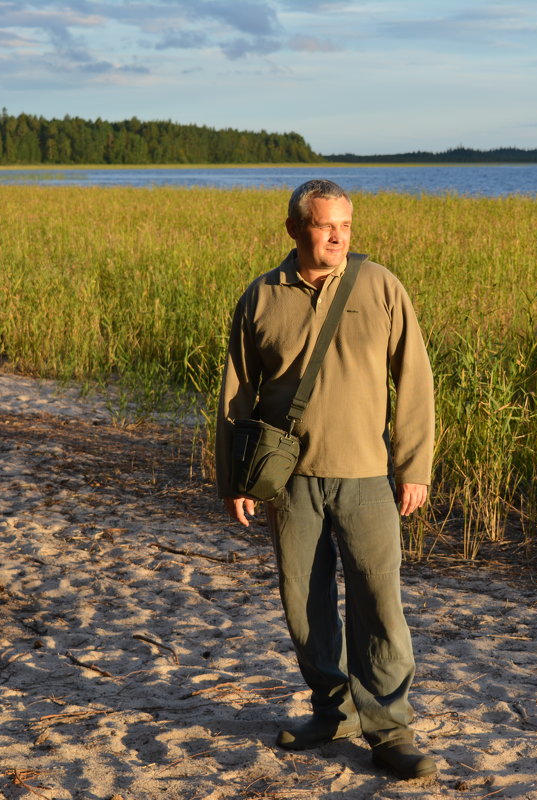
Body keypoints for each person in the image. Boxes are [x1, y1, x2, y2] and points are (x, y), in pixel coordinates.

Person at [216, 179, 437, 780]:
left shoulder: (381, 285)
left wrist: (414, 466)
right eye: (324, 224)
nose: (338, 235)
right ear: (294, 229)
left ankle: (390, 729)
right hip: (290, 483)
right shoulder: (261, 296)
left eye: (345, 224)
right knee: (305, 606)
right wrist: (234, 480)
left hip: (367, 477)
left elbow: (414, 379)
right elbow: (236, 395)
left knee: (378, 603)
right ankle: (332, 709)